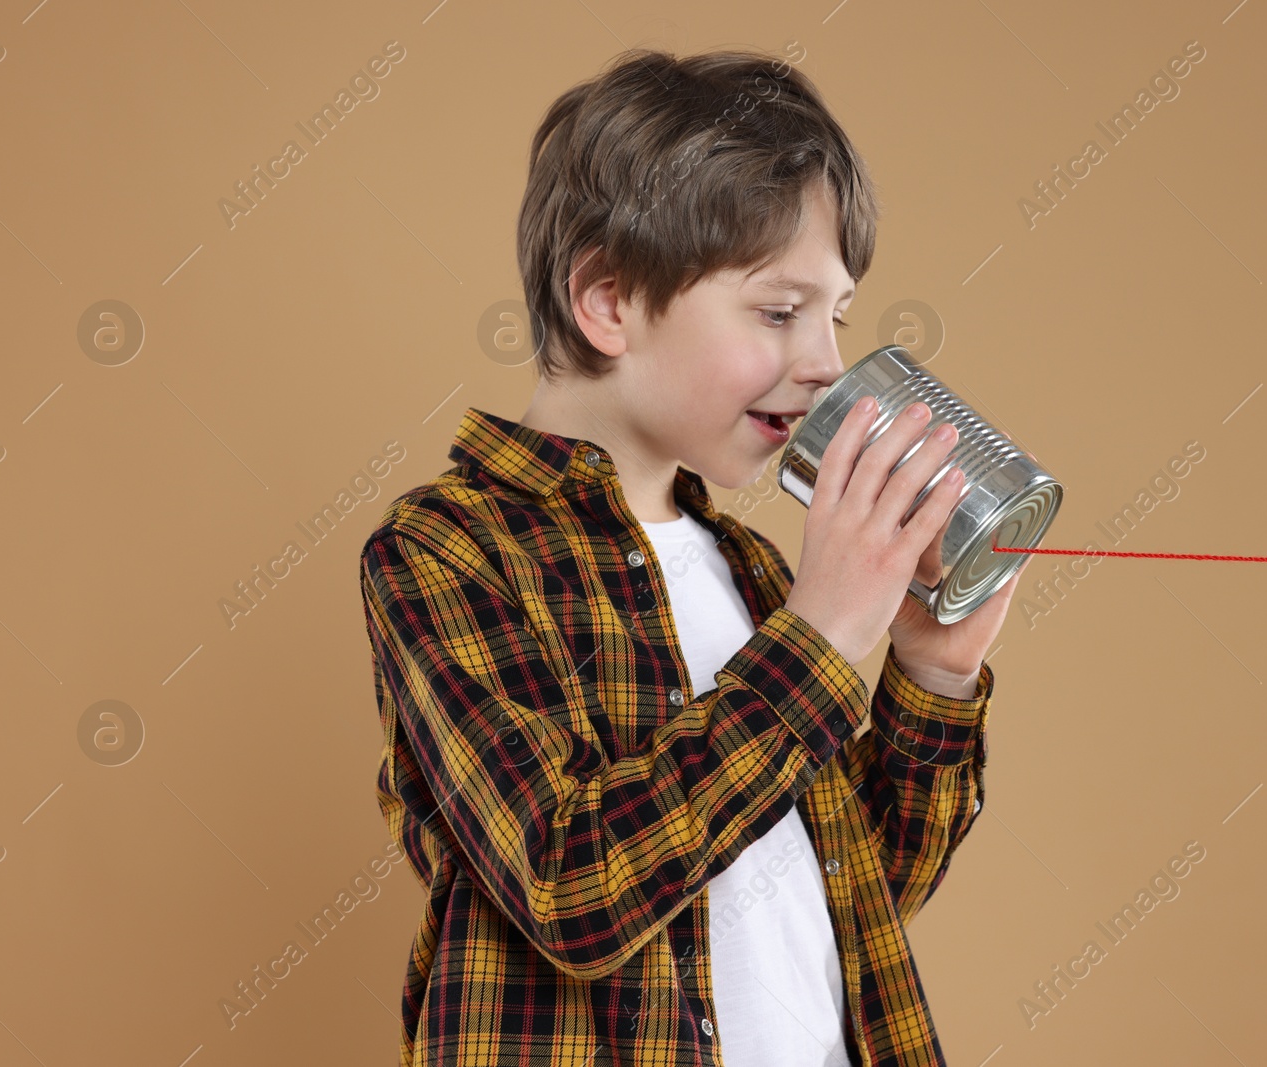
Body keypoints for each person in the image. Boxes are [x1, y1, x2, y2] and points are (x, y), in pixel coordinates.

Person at [358, 46, 1027, 1067]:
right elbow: (568, 884)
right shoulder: (447, 551)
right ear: (610, 302)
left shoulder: (756, 574)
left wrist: (931, 672)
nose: (825, 366)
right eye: (778, 310)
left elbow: (855, 895)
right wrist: (820, 637)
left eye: (836, 316)